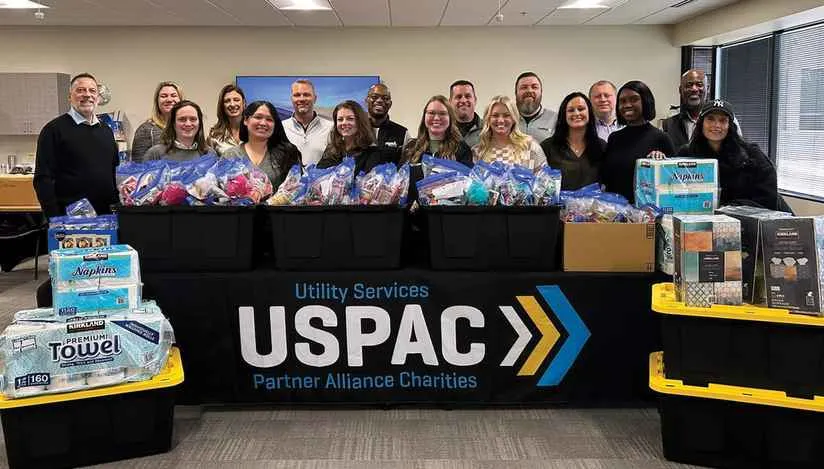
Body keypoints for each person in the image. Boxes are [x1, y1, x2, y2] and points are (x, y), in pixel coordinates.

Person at [34, 73, 119, 218]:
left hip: (106, 217)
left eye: (92, 91)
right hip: (69, 219)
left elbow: (114, 173)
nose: (87, 95)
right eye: (80, 90)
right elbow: (43, 179)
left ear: (98, 98)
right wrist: (54, 218)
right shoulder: (53, 130)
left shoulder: (106, 131)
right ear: (70, 97)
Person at [676, 99, 786, 211]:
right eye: (710, 119)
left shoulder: (752, 155)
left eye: (723, 120)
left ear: (730, 125)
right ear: (701, 123)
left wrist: (730, 208)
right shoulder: (686, 154)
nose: (716, 125)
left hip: (745, 222)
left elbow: (768, 199)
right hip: (697, 219)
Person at [601, 81, 675, 203]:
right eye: (623, 101)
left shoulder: (661, 138)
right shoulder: (614, 138)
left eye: (634, 99)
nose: (627, 105)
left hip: (648, 214)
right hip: (616, 212)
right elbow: (606, 177)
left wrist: (661, 162)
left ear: (645, 102)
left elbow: (673, 183)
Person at [402, 95, 474, 201]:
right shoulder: (411, 147)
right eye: (431, 113)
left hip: (447, 214)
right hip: (412, 215)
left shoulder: (461, 149)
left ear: (450, 118)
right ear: (424, 117)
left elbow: (466, 187)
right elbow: (400, 182)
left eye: (442, 113)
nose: (436, 118)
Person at [222, 101, 302, 189]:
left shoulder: (287, 154)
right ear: (245, 120)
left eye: (269, 119)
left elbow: (296, 190)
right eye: (258, 117)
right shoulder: (230, 155)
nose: (263, 123)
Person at [540, 92, 606, 190]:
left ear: (589, 113)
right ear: (564, 115)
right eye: (571, 110)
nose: (576, 113)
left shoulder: (602, 146)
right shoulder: (548, 146)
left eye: (581, 109)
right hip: (559, 205)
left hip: (593, 205)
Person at [473, 95, 547, 170]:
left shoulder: (530, 146)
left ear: (514, 119)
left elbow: (545, 178)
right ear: (488, 119)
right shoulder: (479, 151)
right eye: (495, 115)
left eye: (506, 115)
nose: (501, 120)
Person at [318, 100, 384, 176]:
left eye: (350, 119)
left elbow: (369, 183)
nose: (344, 123)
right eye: (340, 119)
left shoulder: (372, 153)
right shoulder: (331, 149)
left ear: (360, 122)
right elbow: (318, 176)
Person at [142, 100, 215, 161]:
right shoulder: (155, 154)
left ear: (199, 123)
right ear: (173, 123)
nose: (188, 124)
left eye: (193, 119)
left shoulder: (210, 154)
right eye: (182, 119)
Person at [282, 79, 333, 166]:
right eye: (297, 95)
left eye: (306, 95)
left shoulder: (331, 127)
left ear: (315, 98)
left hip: (322, 179)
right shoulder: (280, 128)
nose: (301, 99)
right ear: (292, 99)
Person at [131, 81, 183, 162]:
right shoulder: (146, 130)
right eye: (164, 96)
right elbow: (137, 167)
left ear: (181, 100)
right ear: (157, 101)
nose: (169, 99)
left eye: (174, 96)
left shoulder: (187, 129)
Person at [663, 69, 707, 149]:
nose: (694, 89)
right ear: (680, 90)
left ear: (707, 89)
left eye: (699, 85)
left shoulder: (722, 120)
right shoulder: (668, 124)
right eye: (689, 85)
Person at [366, 83, 409, 162]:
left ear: (390, 104)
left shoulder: (402, 133)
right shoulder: (356, 130)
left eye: (385, 98)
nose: (379, 101)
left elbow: (406, 166)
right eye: (374, 97)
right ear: (366, 100)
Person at [514, 72, 557, 142]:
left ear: (541, 92)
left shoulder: (555, 119)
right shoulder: (507, 119)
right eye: (524, 87)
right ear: (516, 92)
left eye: (534, 87)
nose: (529, 91)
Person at [208, 84, 246, 156]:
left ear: (243, 103)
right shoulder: (214, 135)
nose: (232, 104)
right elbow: (211, 164)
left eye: (236, 100)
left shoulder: (253, 131)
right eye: (227, 101)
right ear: (222, 106)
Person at [449, 79, 483, 148]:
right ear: (450, 102)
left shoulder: (488, 129)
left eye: (468, 96)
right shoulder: (443, 130)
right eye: (458, 97)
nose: (463, 100)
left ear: (475, 100)